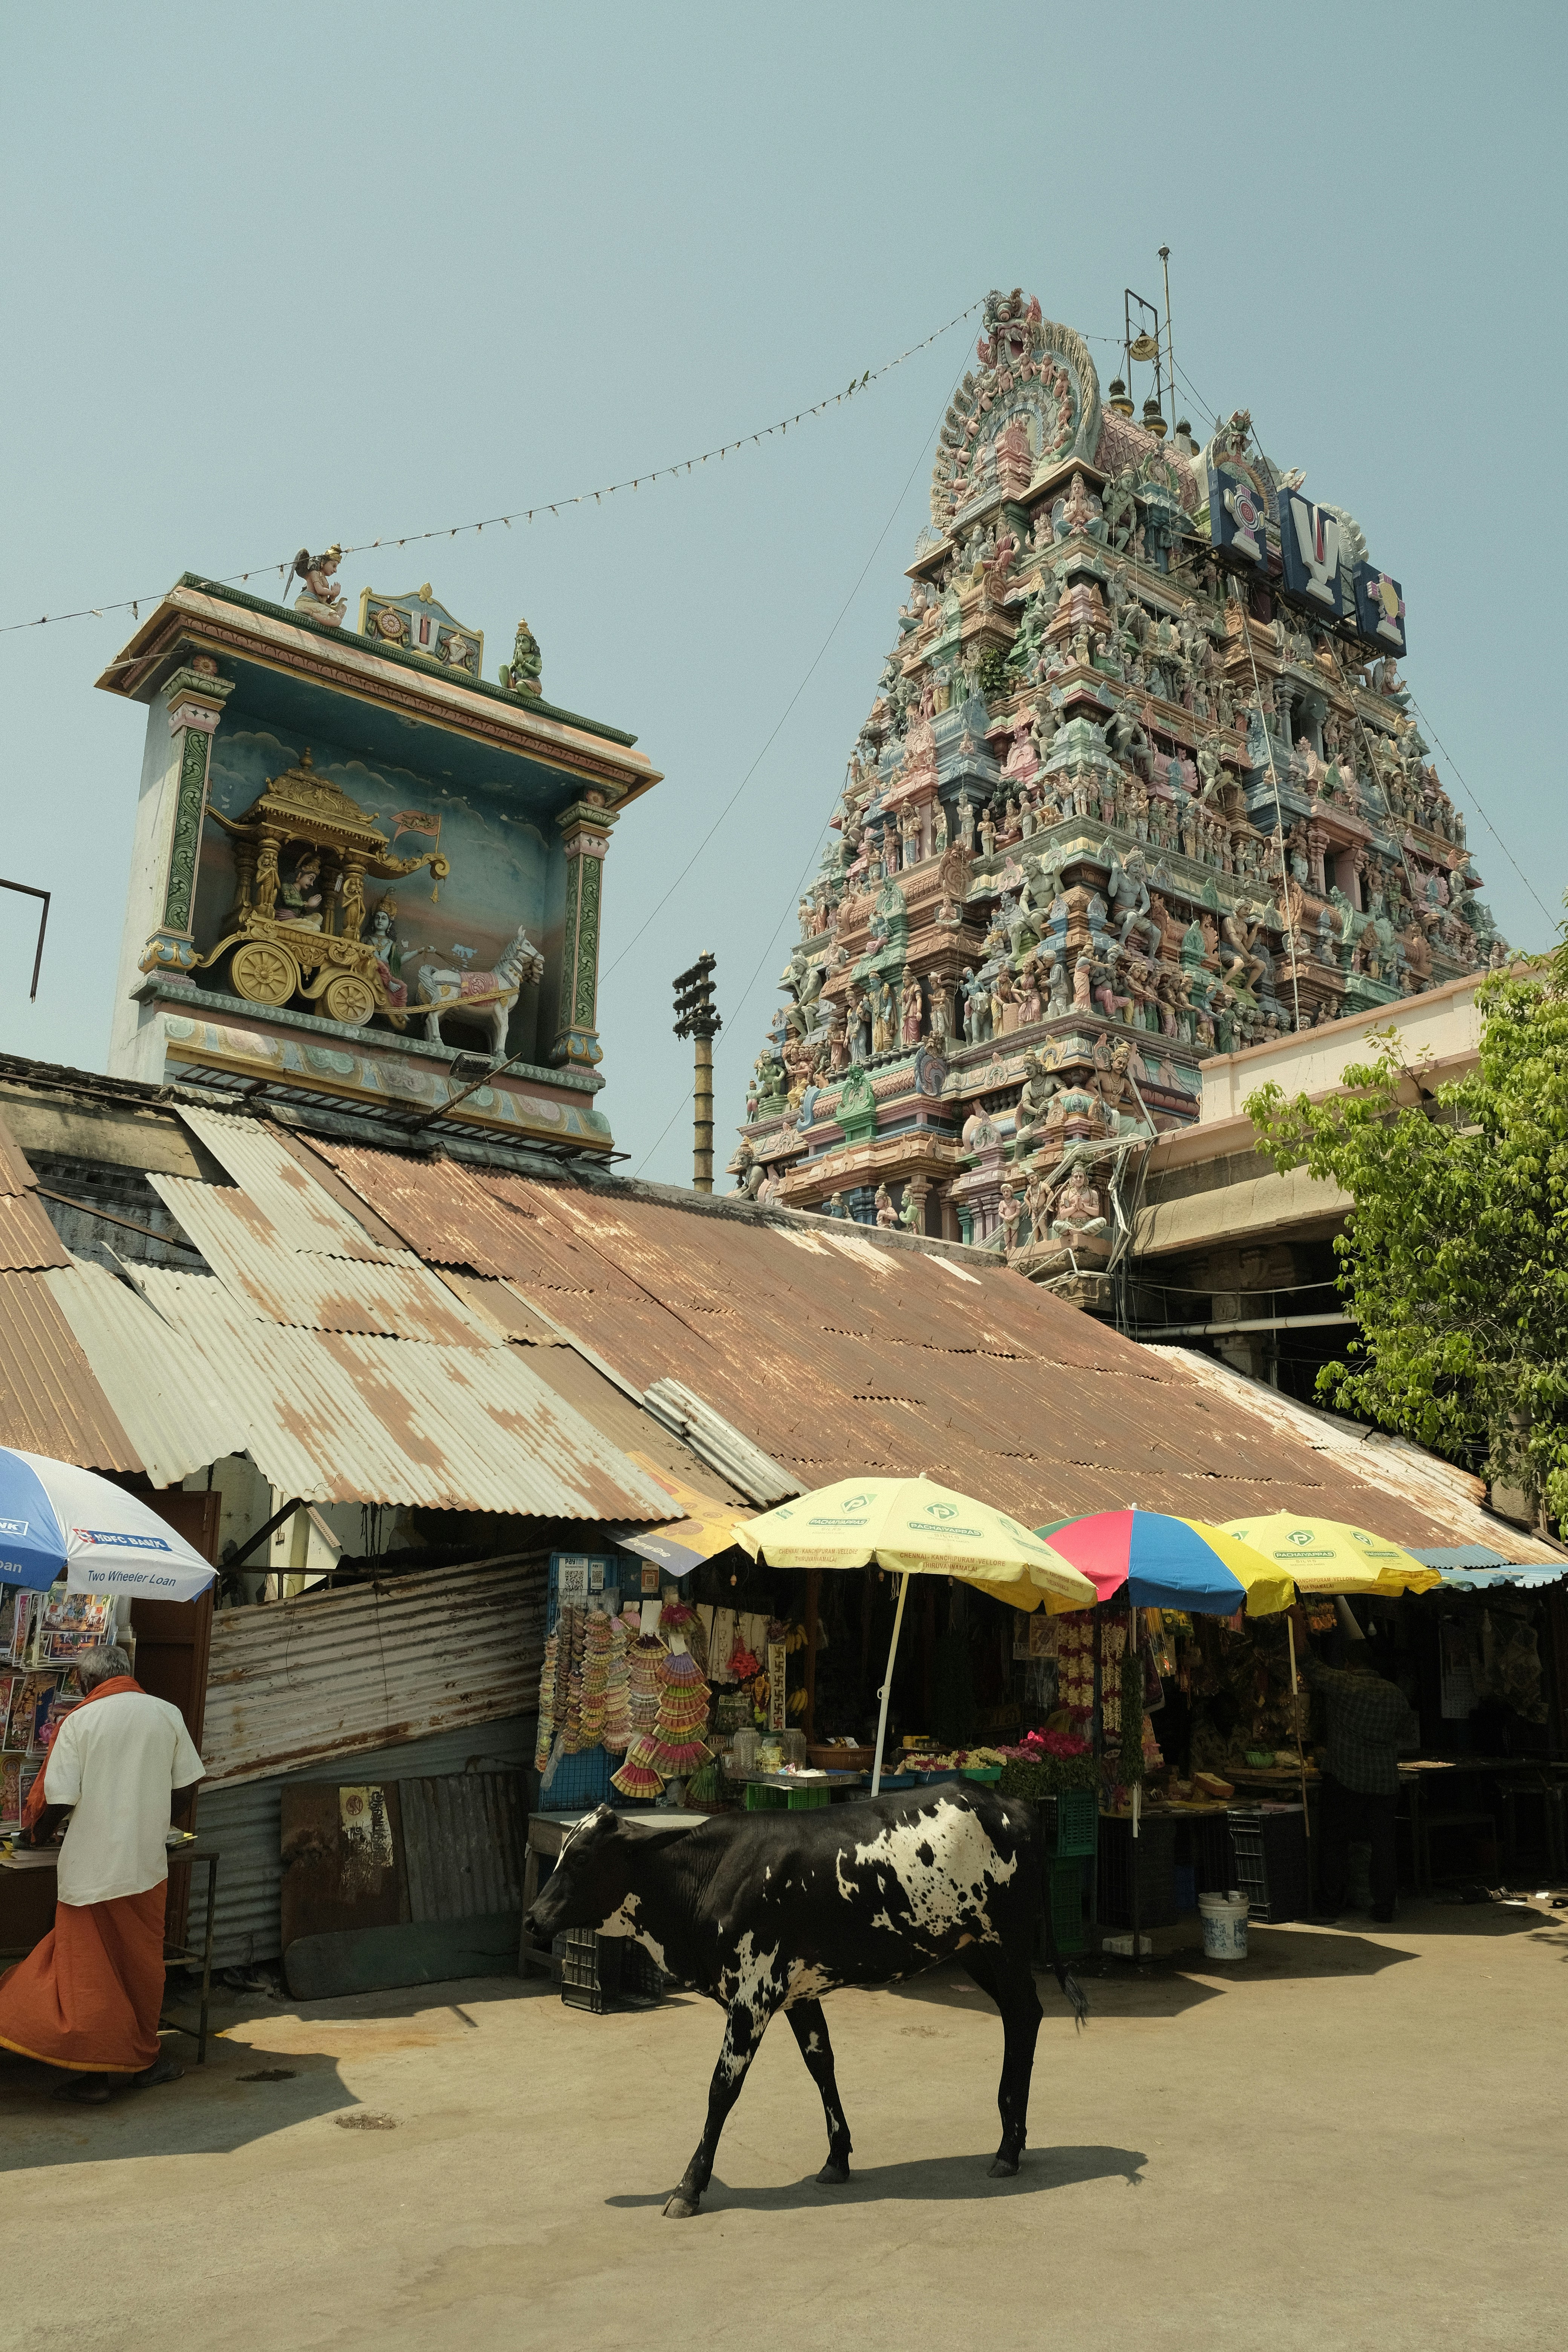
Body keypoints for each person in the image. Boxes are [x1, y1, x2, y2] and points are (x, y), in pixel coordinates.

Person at [0, 1644, 204, 2102]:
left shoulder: (80, 1722)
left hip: (91, 1869)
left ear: (87, 1681)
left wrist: (38, 1836)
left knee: (89, 1973)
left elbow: (59, 1798)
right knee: (141, 1966)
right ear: (125, 1673)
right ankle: (143, 2062)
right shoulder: (165, 1712)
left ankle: (95, 2077)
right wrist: (157, 1822)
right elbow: (189, 1783)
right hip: (145, 1866)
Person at [1289, 1603, 1419, 1923]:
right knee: (1383, 1845)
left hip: (1346, 1778)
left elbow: (1309, 1665)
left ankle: (1331, 1904)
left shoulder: (1347, 1685)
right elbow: (1402, 1734)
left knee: (1335, 1842)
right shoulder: (1396, 1695)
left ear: (1348, 1664)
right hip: (1385, 1783)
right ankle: (1385, 1905)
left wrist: (1295, 1621)